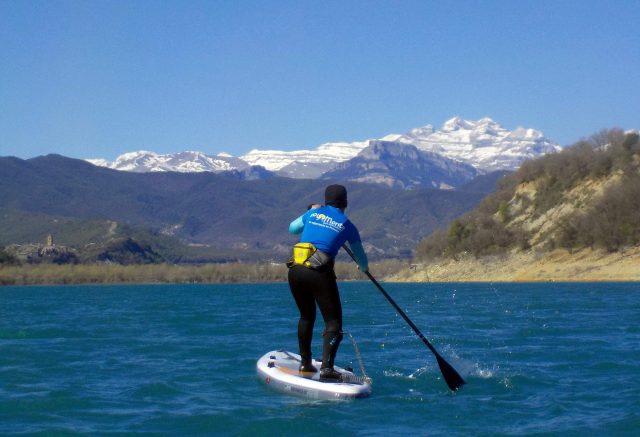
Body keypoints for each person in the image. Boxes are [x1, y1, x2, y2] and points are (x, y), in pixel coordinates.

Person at [287, 184, 368, 380]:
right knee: (333, 323)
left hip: (295, 270)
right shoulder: (348, 226)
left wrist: (312, 211)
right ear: (345, 203)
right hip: (319, 273)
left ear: (325, 200)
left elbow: (292, 229)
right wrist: (363, 268)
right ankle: (327, 369)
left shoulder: (313, 213)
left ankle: (305, 364)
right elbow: (362, 260)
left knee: (306, 317)